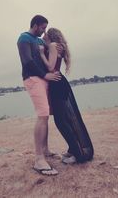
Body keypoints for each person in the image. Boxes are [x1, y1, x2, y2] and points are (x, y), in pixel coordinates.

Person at [39, 27, 94, 164]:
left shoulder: (52, 45)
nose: (44, 35)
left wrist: (41, 54)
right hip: (60, 83)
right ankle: (74, 149)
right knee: (68, 119)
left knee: (61, 121)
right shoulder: (57, 46)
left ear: (50, 35)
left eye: (46, 34)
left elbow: (51, 67)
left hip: (57, 84)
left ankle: (77, 153)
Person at [17, 15, 61, 176]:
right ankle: (38, 159)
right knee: (42, 115)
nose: (44, 31)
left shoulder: (41, 41)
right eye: (42, 28)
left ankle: (46, 150)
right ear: (35, 25)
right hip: (33, 79)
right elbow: (27, 61)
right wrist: (45, 75)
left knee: (46, 116)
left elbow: (50, 56)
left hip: (44, 79)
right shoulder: (24, 38)